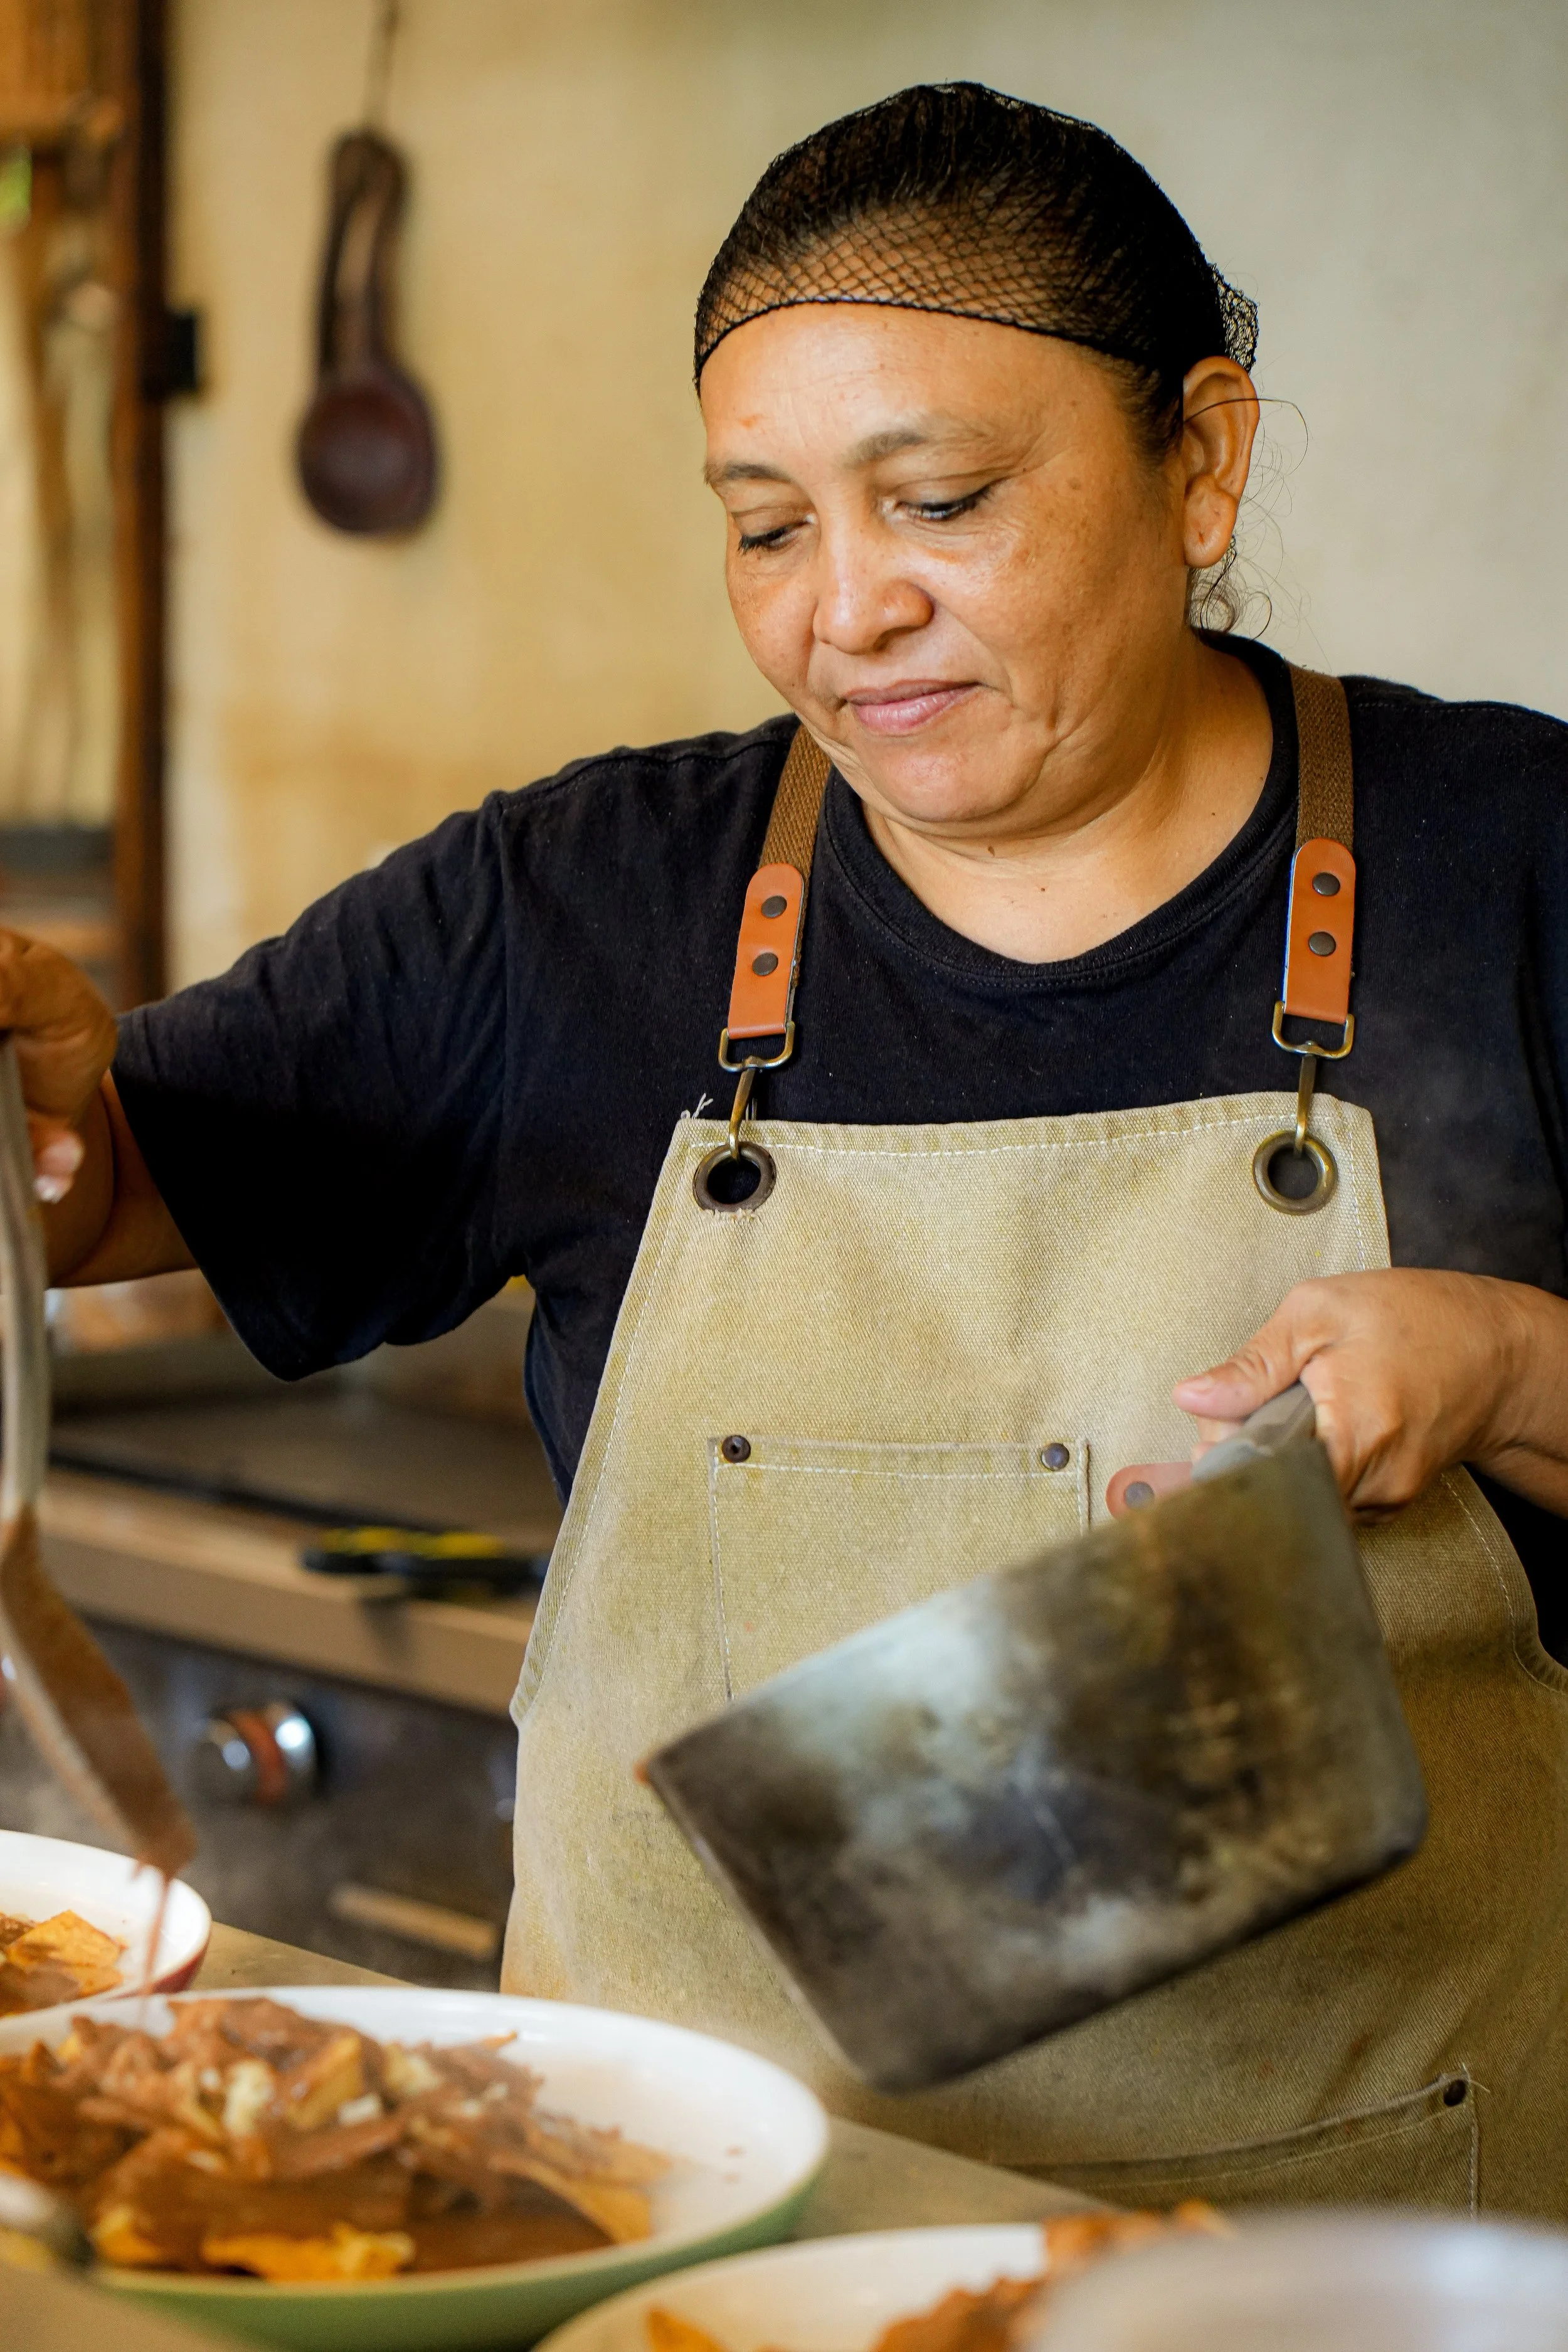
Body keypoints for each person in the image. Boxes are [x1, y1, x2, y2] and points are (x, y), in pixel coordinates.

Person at [12, 83, 1568, 2214]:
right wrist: (29, 1096)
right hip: (661, 2227)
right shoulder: (575, 905)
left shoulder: (1516, 868)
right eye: (764, 528)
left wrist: (1510, 1364)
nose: (847, 611)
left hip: (1339, 2251)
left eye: (936, 500)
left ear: (1200, 455)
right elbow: (89, 1191)